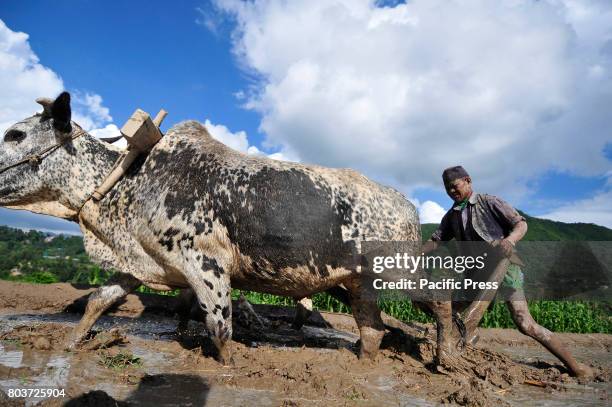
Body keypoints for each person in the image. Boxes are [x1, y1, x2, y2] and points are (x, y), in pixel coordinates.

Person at [423, 165, 592, 378]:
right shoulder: (451, 216)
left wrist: (510, 240)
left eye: (455, 186)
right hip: (476, 274)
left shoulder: (489, 202)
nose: (451, 192)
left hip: (505, 269)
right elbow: (437, 239)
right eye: (447, 189)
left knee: (524, 322)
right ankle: (466, 338)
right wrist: (416, 252)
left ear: (468, 180)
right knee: (449, 309)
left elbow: (520, 224)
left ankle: (576, 368)